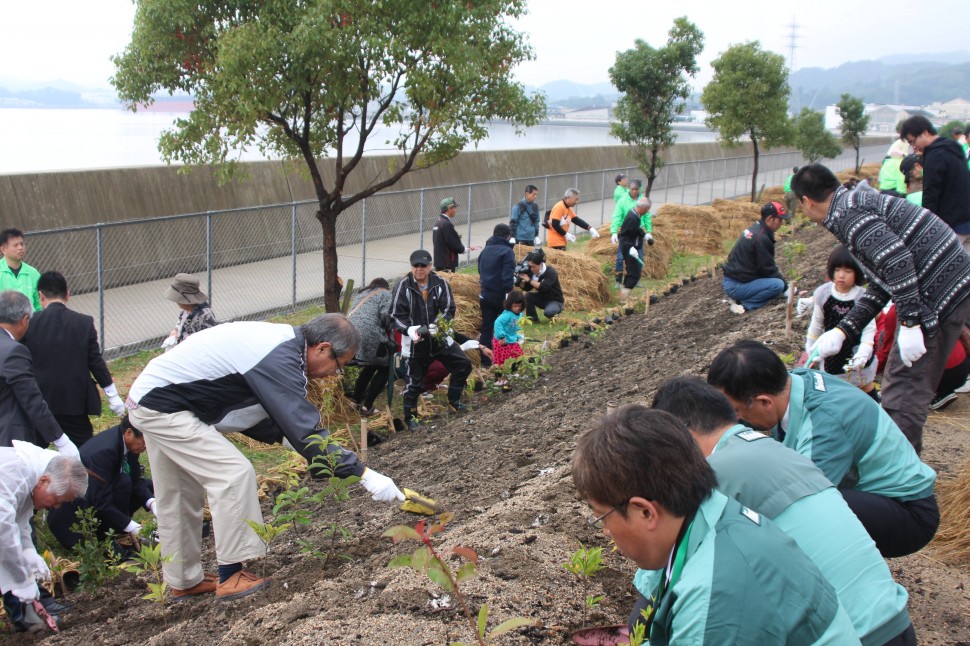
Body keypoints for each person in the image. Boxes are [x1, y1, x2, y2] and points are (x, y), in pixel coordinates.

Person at [127, 313, 405, 600]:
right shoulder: (280, 357)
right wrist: (364, 473)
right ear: (322, 348)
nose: (335, 374)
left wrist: (288, 438)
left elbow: (253, 410)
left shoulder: (278, 344)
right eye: (339, 364)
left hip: (152, 398)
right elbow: (302, 425)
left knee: (179, 494)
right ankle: (230, 575)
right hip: (164, 405)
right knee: (233, 474)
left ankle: (183, 579)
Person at [653, 378, 915, 646]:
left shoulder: (713, 474)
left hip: (856, 636)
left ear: (681, 433)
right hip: (895, 622)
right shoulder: (773, 448)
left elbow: (668, 579)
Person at [571, 405, 859, 645]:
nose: (606, 532)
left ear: (645, 512)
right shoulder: (715, 514)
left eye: (602, 517)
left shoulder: (712, 600)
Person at [792, 162, 970, 453]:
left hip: (937, 289)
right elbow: (882, 282)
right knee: (903, 384)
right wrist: (843, 330)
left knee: (902, 389)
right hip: (951, 277)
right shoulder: (854, 201)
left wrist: (911, 323)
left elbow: (897, 261)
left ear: (806, 201)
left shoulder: (846, 215)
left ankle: (900, 476)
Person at [708, 340, 939, 558]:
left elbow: (797, 499)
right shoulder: (795, 382)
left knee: (801, 513)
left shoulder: (825, 427)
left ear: (764, 402)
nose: (736, 419)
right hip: (871, 495)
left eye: (737, 411)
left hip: (908, 513)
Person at [23, 272, 126, 447]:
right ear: (68, 295)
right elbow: (95, 362)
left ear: (40, 296)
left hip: (41, 399)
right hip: (74, 400)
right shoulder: (83, 322)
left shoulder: (29, 323)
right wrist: (113, 396)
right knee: (83, 450)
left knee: (34, 449)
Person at [0, 442, 87, 632]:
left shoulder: (37, 472)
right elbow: (3, 530)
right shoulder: (14, 476)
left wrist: (28, 550)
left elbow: (19, 518)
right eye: (57, 500)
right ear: (44, 481)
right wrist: (21, 581)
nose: (56, 507)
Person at [47, 416, 155, 559]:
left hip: (100, 497)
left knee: (143, 484)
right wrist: (132, 527)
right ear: (129, 433)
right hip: (76, 520)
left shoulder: (127, 444)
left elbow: (135, 480)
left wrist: (152, 503)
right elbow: (101, 501)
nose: (146, 446)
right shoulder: (103, 453)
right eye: (145, 441)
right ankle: (108, 541)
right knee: (123, 485)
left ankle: (117, 528)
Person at [390, 249, 471, 431]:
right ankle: (411, 418)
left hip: (439, 337)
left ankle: (454, 401)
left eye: (423, 265)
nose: (419, 269)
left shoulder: (440, 283)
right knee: (413, 382)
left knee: (462, 364)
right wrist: (409, 329)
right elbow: (395, 316)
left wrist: (437, 325)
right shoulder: (403, 286)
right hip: (415, 342)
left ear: (430, 265)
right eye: (415, 265)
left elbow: (449, 309)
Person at [0, 290, 79, 460]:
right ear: (24, 319)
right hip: (8, 442)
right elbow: (31, 399)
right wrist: (60, 439)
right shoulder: (14, 351)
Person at [805, 246, 880, 401]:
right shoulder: (824, 294)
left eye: (847, 271)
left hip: (855, 350)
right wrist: (811, 347)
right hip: (832, 351)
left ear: (857, 273)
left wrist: (865, 350)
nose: (841, 275)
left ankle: (876, 409)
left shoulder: (862, 298)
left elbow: (869, 328)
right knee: (833, 385)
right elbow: (817, 323)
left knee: (863, 384)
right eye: (838, 270)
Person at [876, 304, 970, 411]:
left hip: (939, 373)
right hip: (962, 367)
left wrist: (874, 372)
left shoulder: (896, 312)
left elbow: (887, 351)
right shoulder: (938, 300)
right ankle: (941, 392)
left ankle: (919, 393)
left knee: (904, 352)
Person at [899, 115, 970, 252]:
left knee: (943, 268)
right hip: (967, 220)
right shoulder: (953, 147)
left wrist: (928, 228)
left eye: (913, 141)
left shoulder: (935, 155)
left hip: (952, 225)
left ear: (925, 133)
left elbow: (931, 193)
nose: (914, 147)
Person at [721, 201, 791, 314]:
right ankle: (746, 306)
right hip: (736, 285)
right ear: (769, 219)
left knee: (776, 282)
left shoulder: (757, 229)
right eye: (779, 219)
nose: (781, 223)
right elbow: (767, 269)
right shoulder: (761, 238)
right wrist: (787, 288)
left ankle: (742, 297)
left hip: (734, 280)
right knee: (777, 285)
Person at [347, 278, 394, 416]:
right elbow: (387, 316)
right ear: (385, 287)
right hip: (370, 334)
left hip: (351, 334)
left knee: (371, 365)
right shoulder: (385, 294)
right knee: (385, 368)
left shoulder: (362, 294)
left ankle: (355, 400)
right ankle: (367, 406)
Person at [477, 223, 516, 366]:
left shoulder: (485, 250)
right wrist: (509, 293)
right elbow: (508, 276)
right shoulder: (507, 252)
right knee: (507, 326)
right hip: (500, 296)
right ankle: (507, 358)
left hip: (485, 294)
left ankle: (486, 361)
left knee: (487, 328)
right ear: (508, 236)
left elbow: (480, 270)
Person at [161, 273, 218, 351]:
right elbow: (180, 325)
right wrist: (175, 332)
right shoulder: (185, 311)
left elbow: (211, 340)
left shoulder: (204, 315)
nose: (176, 302)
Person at [515, 248, 564, 323]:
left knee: (549, 312)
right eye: (530, 266)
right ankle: (533, 319)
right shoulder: (532, 272)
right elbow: (528, 288)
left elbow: (544, 287)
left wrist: (529, 280)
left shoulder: (551, 272)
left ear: (540, 265)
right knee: (528, 296)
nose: (531, 269)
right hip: (542, 299)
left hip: (555, 300)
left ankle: (555, 314)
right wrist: (520, 283)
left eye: (533, 266)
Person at [609, 179, 644, 285]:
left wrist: (648, 231)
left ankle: (635, 278)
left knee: (638, 256)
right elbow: (617, 216)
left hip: (638, 233)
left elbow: (647, 217)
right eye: (632, 189)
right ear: (629, 189)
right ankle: (618, 280)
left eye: (636, 189)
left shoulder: (642, 200)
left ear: (639, 190)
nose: (634, 191)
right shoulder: (623, 201)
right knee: (621, 256)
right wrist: (614, 231)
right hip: (626, 233)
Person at [617, 197, 652, 301]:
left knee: (631, 271)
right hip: (629, 249)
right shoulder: (632, 218)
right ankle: (623, 297)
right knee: (634, 273)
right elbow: (624, 235)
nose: (647, 212)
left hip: (631, 247)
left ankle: (624, 295)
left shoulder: (635, 215)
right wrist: (631, 248)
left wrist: (645, 235)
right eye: (647, 209)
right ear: (643, 208)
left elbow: (636, 229)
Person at [432, 197, 479, 272]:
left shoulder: (438, 222)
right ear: (449, 208)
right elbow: (454, 244)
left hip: (440, 262)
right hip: (447, 263)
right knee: (447, 283)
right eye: (455, 207)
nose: (456, 210)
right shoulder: (447, 224)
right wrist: (466, 249)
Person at [0, 228, 41, 312]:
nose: (20, 248)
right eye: (15, 245)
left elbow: (40, 303)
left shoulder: (33, 273)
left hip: (30, 322)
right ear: (3, 249)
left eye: (22, 244)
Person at [492, 290, 525, 368]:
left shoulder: (520, 315)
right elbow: (497, 322)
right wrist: (501, 336)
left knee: (519, 355)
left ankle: (515, 372)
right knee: (503, 359)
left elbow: (515, 326)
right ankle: (500, 377)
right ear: (510, 305)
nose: (517, 308)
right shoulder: (507, 314)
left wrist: (518, 335)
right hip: (502, 341)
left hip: (512, 338)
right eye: (515, 306)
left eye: (519, 306)